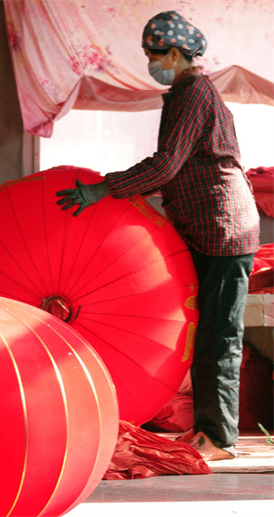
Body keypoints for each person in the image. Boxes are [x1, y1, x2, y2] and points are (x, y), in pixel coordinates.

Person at [56, 11, 259, 461]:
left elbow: (166, 164)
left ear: (173, 52)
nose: (150, 63)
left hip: (222, 229)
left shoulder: (193, 93)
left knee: (218, 334)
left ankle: (218, 437)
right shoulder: (187, 93)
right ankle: (209, 429)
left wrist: (103, 189)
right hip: (208, 226)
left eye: (153, 55)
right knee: (206, 331)